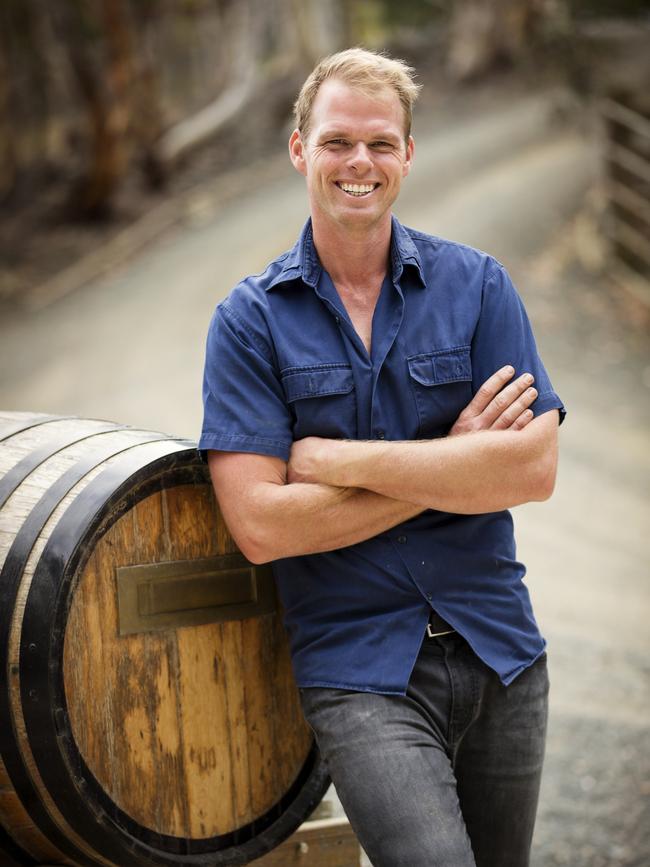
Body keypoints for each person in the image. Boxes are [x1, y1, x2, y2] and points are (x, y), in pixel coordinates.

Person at [199, 48, 565, 867]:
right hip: (362, 673)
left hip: (502, 651)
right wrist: (454, 463)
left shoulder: (478, 287)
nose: (358, 162)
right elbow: (260, 524)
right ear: (299, 150)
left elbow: (532, 471)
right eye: (336, 142)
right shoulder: (249, 323)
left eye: (379, 143)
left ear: (407, 155)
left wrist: (336, 459)